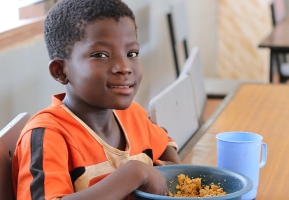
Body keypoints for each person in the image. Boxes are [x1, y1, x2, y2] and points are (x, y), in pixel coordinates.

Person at [12, 0, 181, 199]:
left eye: (131, 53)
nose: (124, 67)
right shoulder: (48, 135)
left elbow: (165, 143)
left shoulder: (132, 114)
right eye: (101, 55)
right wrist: (136, 173)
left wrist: (171, 172)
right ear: (61, 71)